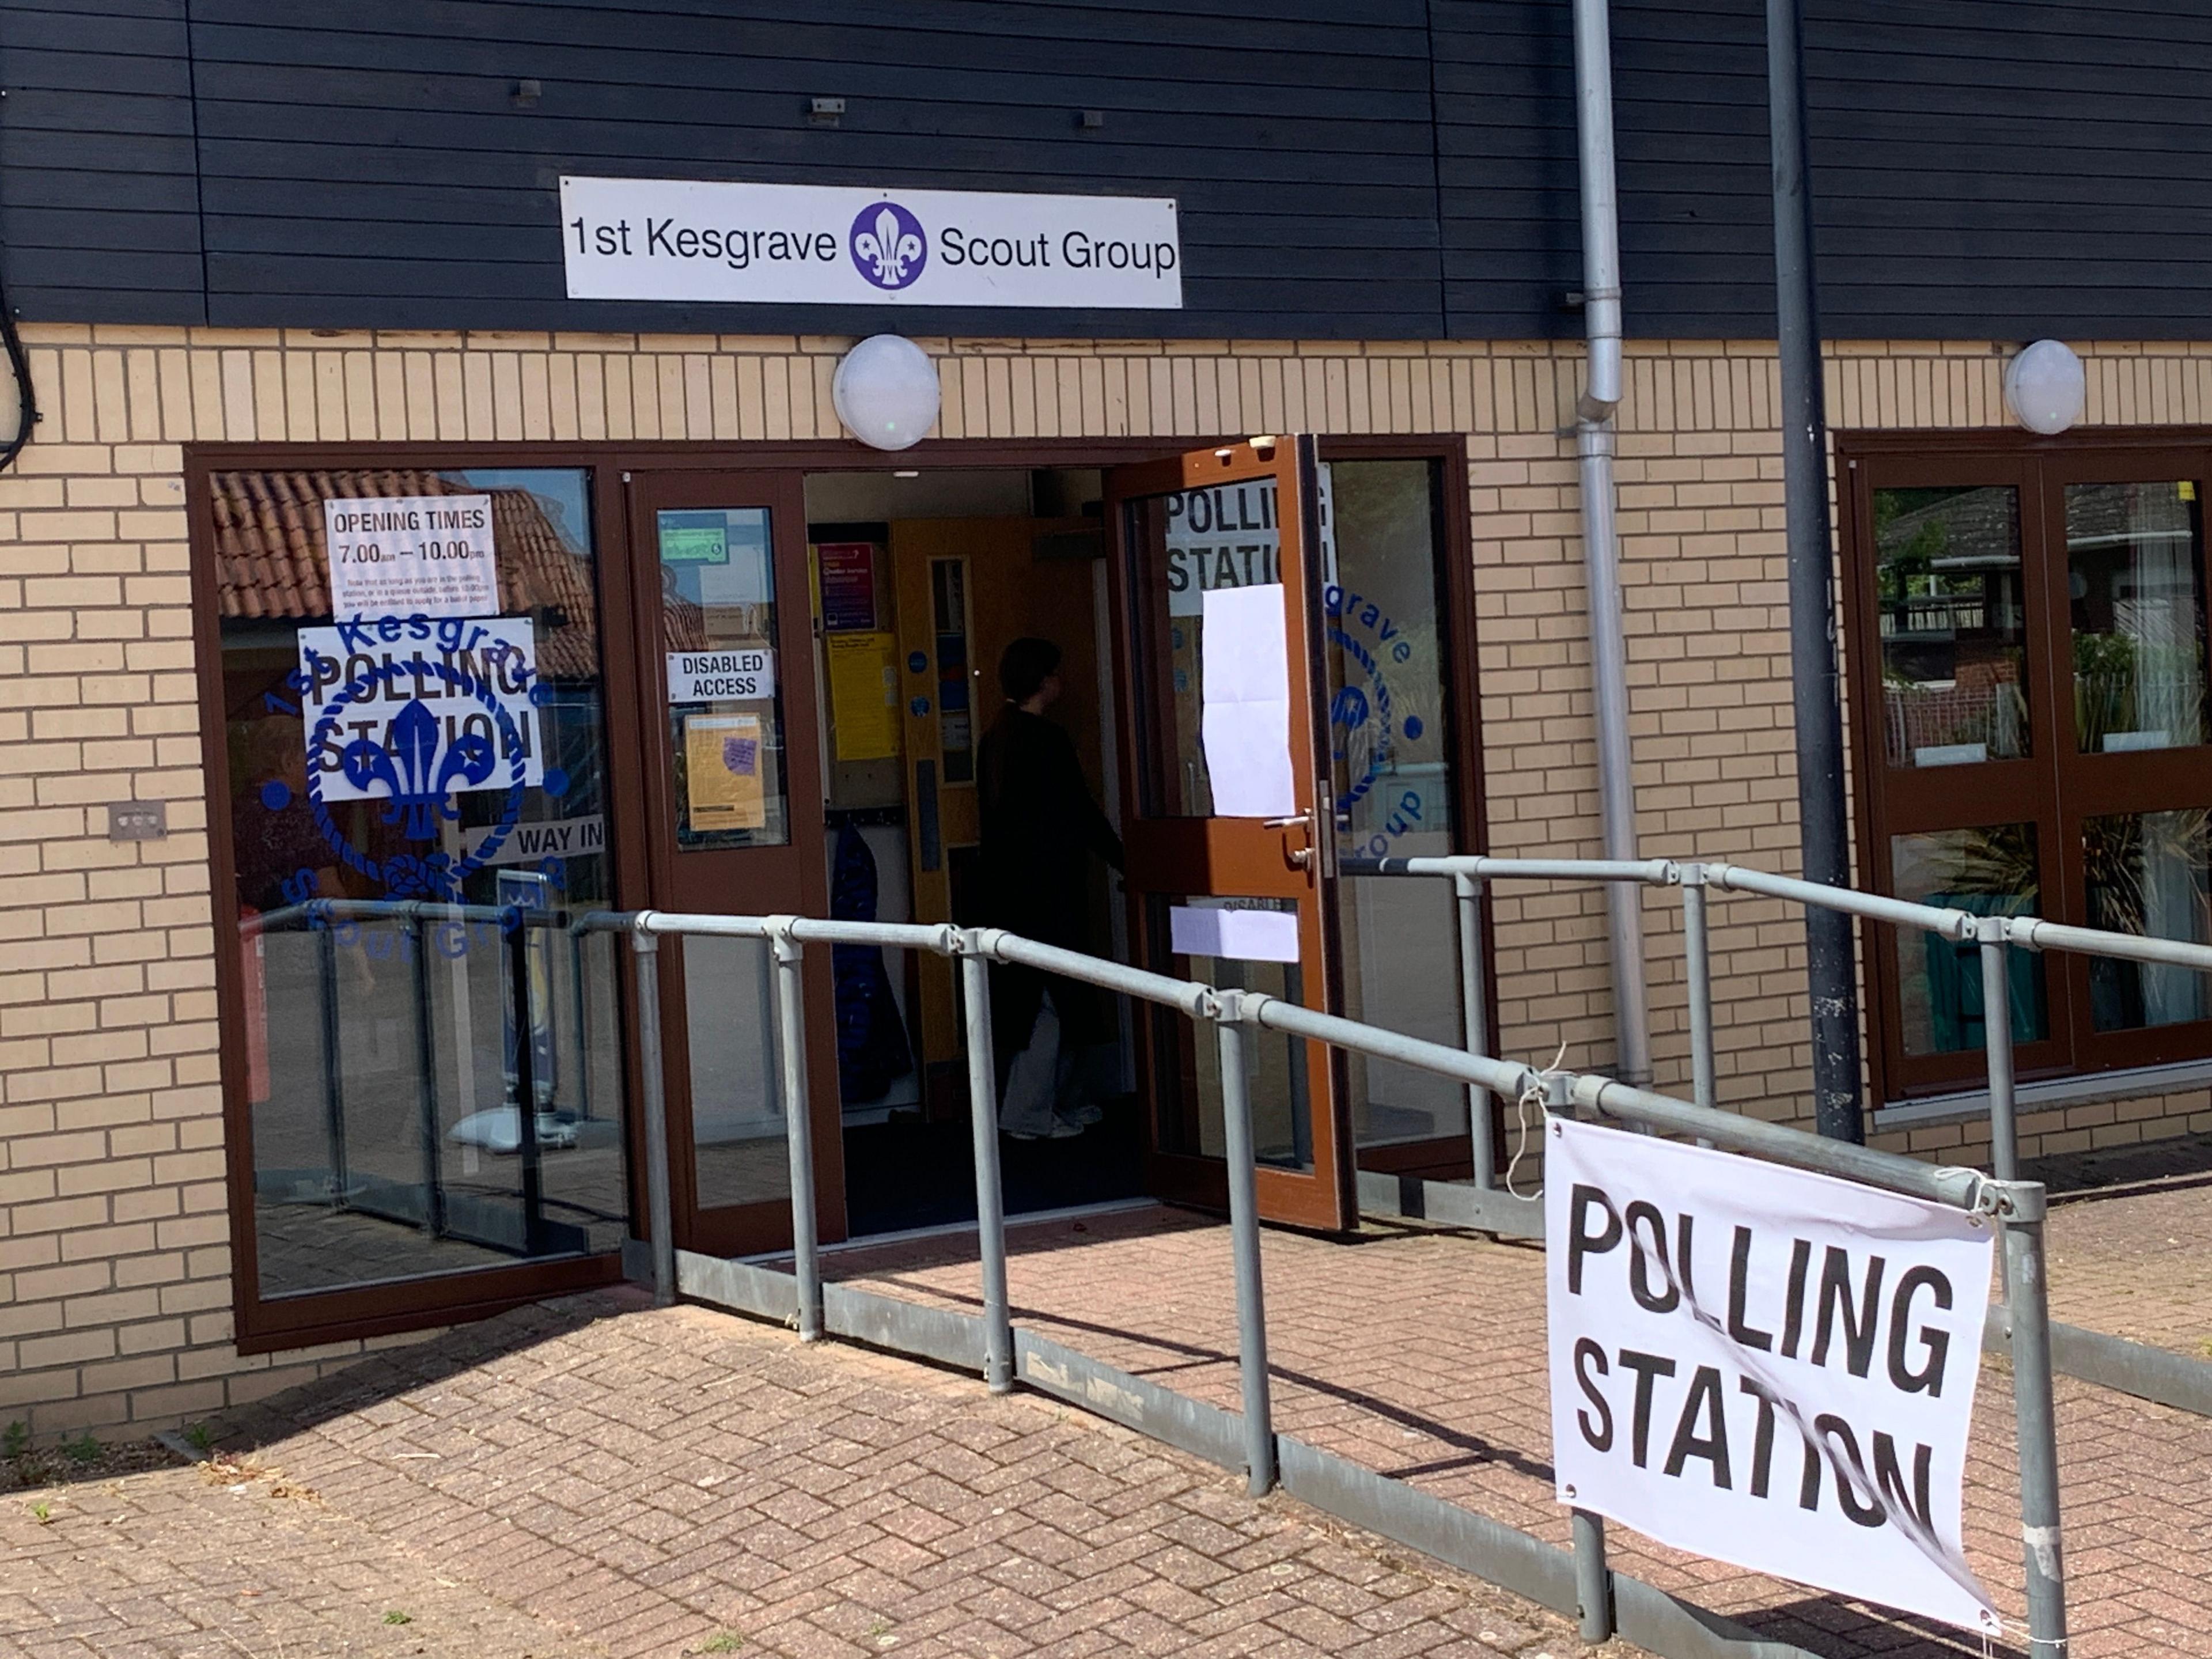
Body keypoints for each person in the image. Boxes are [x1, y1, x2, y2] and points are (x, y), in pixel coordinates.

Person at [977, 637, 1125, 1140]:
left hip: (1010, 890)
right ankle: (1029, 1113)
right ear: (1043, 681)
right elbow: (1080, 812)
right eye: (1057, 673)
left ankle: (1057, 1103)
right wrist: (1126, 861)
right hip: (1049, 890)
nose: (1063, 681)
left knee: (1043, 998)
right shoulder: (1047, 741)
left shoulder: (995, 739)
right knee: (1055, 1000)